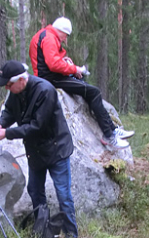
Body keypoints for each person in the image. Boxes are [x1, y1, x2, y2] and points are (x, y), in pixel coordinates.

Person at [0, 61, 81, 238]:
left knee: (63, 195)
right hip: (35, 150)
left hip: (56, 149)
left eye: (9, 84)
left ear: (21, 80)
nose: (7, 88)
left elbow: (36, 126)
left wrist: (6, 133)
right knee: (34, 190)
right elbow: (10, 112)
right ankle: (42, 231)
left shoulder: (45, 91)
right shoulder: (15, 91)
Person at [29, 17, 134, 149]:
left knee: (85, 86)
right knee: (93, 92)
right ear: (61, 31)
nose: (65, 39)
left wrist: (69, 67)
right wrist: (75, 69)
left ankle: (112, 129)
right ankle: (109, 134)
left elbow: (51, 60)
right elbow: (53, 64)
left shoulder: (45, 35)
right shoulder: (50, 38)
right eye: (66, 35)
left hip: (49, 77)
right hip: (50, 79)